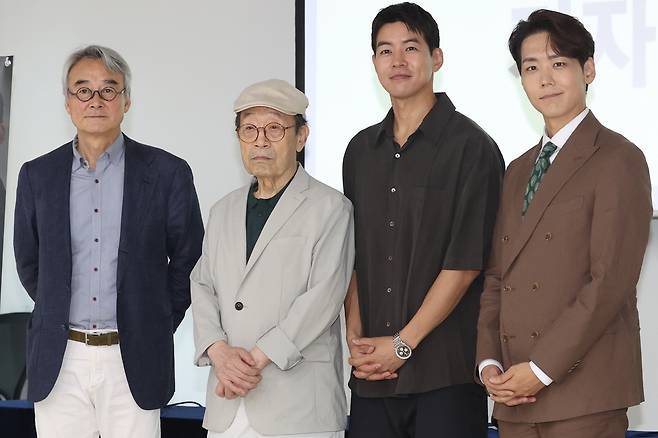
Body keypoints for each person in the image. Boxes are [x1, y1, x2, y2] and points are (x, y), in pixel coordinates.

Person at [476, 9, 651, 438]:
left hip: (584, 395)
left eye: (559, 64)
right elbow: (498, 275)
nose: (545, 79)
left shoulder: (619, 158)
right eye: (531, 68)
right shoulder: (517, 170)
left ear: (587, 69)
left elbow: (609, 282)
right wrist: (489, 362)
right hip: (514, 394)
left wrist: (541, 368)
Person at [13, 45, 204, 438]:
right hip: (61, 357)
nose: (95, 100)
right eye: (83, 90)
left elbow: (189, 259)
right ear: (67, 102)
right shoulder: (37, 175)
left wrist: (154, 320)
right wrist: (57, 307)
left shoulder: (167, 173)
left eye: (108, 89)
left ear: (126, 100)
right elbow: (30, 263)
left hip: (133, 356)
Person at [342, 3, 504, 437]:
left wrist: (403, 344)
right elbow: (354, 256)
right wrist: (355, 339)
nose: (398, 61)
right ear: (373, 62)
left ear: (436, 58)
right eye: (385, 50)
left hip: (444, 375)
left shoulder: (472, 147)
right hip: (374, 377)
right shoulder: (360, 151)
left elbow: (466, 262)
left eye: (411, 48)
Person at [191, 78, 354, 438]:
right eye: (249, 129)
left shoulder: (330, 208)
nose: (260, 140)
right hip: (228, 406)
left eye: (274, 129)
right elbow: (202, 286)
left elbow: (322, 298)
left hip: (298, 407)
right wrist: (218, 352)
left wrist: (252, 361)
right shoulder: (222, 211)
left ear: (301, 136)